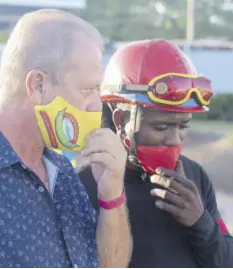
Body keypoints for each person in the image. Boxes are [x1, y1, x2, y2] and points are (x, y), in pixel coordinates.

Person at [0, 9, 132, 268]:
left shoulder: (63, 172)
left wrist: (112, 195)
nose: (96, 107)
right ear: (38, 85)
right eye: (87, 90)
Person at [79, 39, 233, 267]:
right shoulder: (82, 185)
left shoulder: (194, 176)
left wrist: (201, 223)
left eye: (183, 126)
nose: (174, 139)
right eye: (161, 127)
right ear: (120, 120)